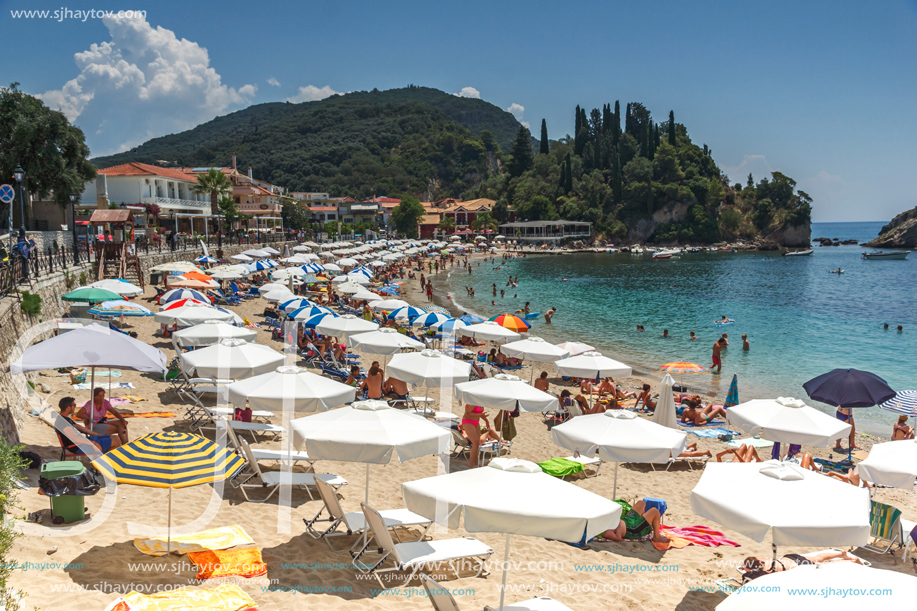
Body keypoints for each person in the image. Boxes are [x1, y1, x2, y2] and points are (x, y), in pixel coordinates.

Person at [741, 550, 866, 579]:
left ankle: (852, 561)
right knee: (819, 558)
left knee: (825, 565)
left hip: (798, 565)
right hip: (789, 557)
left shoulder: (766, 571)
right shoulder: (761, 559)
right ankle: (841, 554)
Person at [602, 499, 669, 544]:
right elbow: (618, 538)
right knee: (655, 511)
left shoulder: (605, 522)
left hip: (627, 520)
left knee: (641, 503)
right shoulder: (605, 531)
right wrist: (618, 526)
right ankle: (656, 537)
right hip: (632, 529)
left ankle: (644, 524)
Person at [461, 404, 488, 468]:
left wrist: (487, 421)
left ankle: (476, 463)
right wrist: (480, 415)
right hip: (468, 422)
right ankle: (470, 464)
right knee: (475, 443)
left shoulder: (480, 401)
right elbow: (468, 414)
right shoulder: (472, 402)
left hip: (476, 422)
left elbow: (481, 414)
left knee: (477, 443)